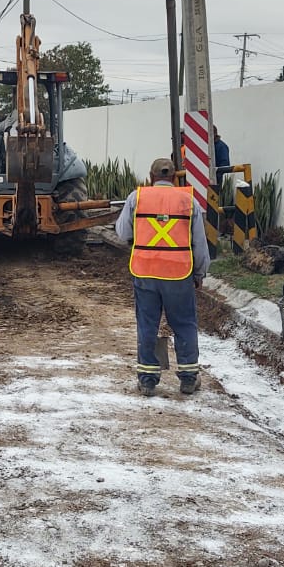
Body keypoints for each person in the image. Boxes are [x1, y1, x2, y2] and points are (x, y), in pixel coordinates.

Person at [115, 157, 211, 397]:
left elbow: (123, 232)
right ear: (174, 177)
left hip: (145, 272)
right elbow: (200, 244)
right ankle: (188, 378)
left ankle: (147, 380)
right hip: (179, 273)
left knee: (147, 325)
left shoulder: (137, 197)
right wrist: (199, 273)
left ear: (151, 176)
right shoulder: (188, 201)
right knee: (184, 324)